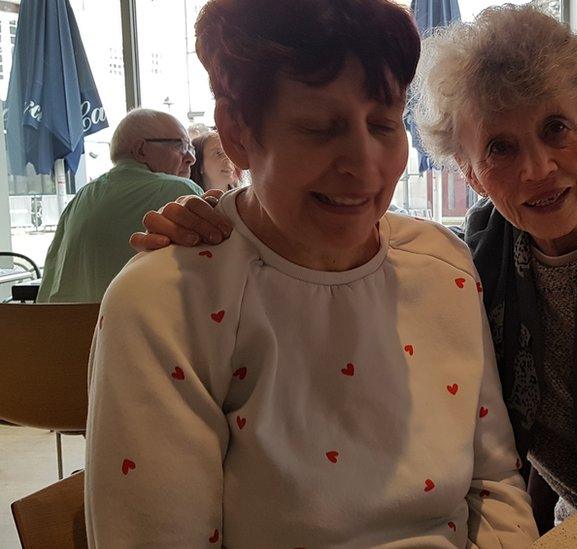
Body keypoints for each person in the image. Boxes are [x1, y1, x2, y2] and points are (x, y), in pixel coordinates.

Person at [131, 4, 577, 531]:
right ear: (468, 171)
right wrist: (220, 217)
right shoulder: (465, 265)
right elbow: (328, 231)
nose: (537, 167)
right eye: (499, 148)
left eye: (556, 129)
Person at [85, 0, 537, 546]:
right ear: (237, 132)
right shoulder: (165, 304)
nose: (364, 165)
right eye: (320, 129)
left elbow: (495, 484)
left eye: (383, 124)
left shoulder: (444, 266)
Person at [35, 108, 201, 303]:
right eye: (180, 146)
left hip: (61, 329)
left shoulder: (82, 196)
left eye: (191, 148)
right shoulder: (180, 191)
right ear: (141, 150)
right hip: (132, 329)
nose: (191, 157)